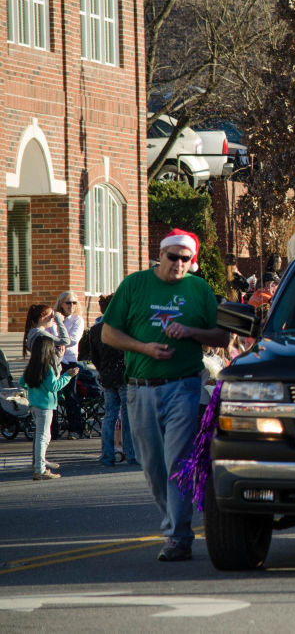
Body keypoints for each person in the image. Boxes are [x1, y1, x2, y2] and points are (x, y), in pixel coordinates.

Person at [101, 228, 230, 562]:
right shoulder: (135, 285)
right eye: (173, 257)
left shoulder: (198, 289)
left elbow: (221, 335)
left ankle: (178, 536)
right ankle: (176, 524)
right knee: (152, 466)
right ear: (160, 255)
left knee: (177, 460)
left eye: (186, 259)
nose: (179, 264)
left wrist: (191, 332)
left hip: (184, 386)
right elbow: (109, 332)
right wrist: (144, 347)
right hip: (139, 387)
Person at [21, 334, 78, 480]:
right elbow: (54, 386)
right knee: (43, 436)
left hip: (34, 403)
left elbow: (23, 382)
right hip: (46, 405)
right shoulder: (48, 367)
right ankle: (40, 469)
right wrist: (68, 376)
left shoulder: (33, 365)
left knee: (42, 435)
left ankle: (41, 462)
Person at [90, 294, 137, 468]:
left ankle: (107, 455)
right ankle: (131, 454)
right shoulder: (123, 327)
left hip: (107, 376)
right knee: (127, 416)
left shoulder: (95, 330)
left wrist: (102, 370)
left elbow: (94, 356)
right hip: (124, 375)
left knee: (109, 416)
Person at [23, 304, 83, 438]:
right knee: (43, 435)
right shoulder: (41, 334)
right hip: (46, 385)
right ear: (42, 317)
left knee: (42, 433)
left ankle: (40, 458)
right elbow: (65, 340)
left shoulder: (32, 333)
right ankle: (39, 459)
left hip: (38, 382)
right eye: (51, 315)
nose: (53, 317)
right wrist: (59, 321)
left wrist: (59, 356)